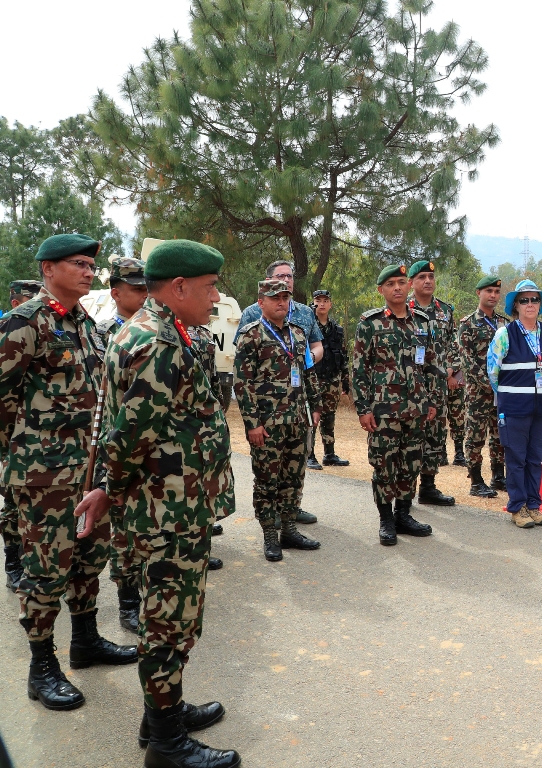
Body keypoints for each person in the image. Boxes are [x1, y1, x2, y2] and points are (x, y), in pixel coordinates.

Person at [101, 238, 240, 767]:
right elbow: (129, 437)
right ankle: (165, 744)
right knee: (167, 623)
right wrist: (107, 494)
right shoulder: (156, 342)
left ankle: (162, 711)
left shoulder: (169, 330)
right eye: (209, 288)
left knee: (176, 619)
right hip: (165, 512)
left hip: (177, 506)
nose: (215, 297)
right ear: (179, 288)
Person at [0, 234, 137, 712]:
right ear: (48, 268)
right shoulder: (25, 322)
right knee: (44, 572)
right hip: (43, 477)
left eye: (89, 264)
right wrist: (18, 458)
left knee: (87, 558)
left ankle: (85, 641)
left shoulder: (86, 324)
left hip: (88, 472)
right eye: (77, 263)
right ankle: (41, 667)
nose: (87, 270)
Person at [235, 280, 322, 562]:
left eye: (285, 297)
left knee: (293, 478)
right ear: (261, 302)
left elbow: (307, 372)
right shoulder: (251, 336)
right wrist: (252, 424)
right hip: (267, 424)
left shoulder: (298, 334)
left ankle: (288, 529)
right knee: (267, 481)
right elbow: (242, 384)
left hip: (297, 420)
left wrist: (316, 406)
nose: (281, 302)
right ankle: (270, 535)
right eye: (275, 298)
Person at [353, 264, 438, 546]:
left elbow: (431, 365)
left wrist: (433, 401)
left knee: (411, 464)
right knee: (384, 465)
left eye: (402, 282)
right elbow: (359, 370)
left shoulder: (423, 321)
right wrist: (363, 408)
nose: (398, 287)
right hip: (383, 411)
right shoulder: (369, 323)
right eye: (391, 284)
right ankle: (386, 519)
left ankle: (404, 514)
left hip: (416, 409)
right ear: (381, 290)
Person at [94, 256, 151, 632]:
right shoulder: (103, 333)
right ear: (116, 292)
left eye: (147, 287)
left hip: (147, 445)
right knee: (123, 529)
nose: (144, 294)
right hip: (114, 441)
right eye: (136, 289)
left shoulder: (152, 330)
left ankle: (148, 591)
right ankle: (128, 602)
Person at [488, 279, 542, 529]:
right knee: (516, 457)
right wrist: (509, 397)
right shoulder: (504, 334)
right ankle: (517, 507)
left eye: (535, 299)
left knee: (535, 457)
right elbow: (493, 372)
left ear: (541, 304)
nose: (530, 304)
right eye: (524, 300)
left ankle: (534, 505)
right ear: (515, 306)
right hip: (515, 408)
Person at [1, 279, 42, 593]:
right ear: (17, 302)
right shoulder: (10, 328)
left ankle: (33, 562)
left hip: (34, 436)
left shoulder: (38, 325)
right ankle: (12, 562)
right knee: (13, 504)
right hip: (11, 436)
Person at [407, 259, 456, 507]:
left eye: (431, 277)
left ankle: (428, 486)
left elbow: (453, 346)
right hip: (410, 387)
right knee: (411, 436)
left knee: (435, 436)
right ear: (412, 283)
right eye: (422, 277)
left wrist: (454, 374)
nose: (428, 281)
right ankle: (406, 491)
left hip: (438, 386)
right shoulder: (402, 310)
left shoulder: (445, 311)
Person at [457, 275, 508, 497]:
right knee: (475, 436)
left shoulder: (504, 324)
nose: (493, 295)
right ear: (479, 293)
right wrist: (489, 384)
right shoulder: (467, 324)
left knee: (500, 436)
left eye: (496, 292)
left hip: (502, 392)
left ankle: (498, 477)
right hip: (478, 392)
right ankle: (476, 481)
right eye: (489, 291)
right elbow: (466, 361)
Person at [186, 323, 228, 574]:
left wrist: (219, 405)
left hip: (205, 414)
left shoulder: (202, 332)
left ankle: (201, 542)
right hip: (183, 416)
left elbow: (211, 373)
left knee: (205, 478)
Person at [308, 289, 351, 468]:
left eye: (326, 300)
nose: (322, 304)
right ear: (313, 303)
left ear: (330, 304)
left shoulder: (337, 330)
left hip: (332, 379)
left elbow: (343, 355)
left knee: (329, 417)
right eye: (318, 300)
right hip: (313, 379)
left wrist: (346, 380)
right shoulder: (308, 327)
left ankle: (329, 454)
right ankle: (309, 454)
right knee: (312, 417)